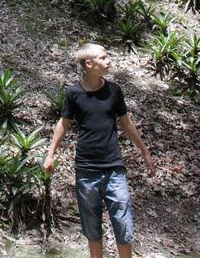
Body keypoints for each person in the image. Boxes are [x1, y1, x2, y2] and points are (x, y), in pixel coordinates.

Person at [43, 43, 156, 258]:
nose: (108, 61)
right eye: (103, 58)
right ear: (89, 63)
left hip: (114, 169)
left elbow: (127, 124)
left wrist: (145, 152)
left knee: (123, 225)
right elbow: (63, 124)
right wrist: (50, 155)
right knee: (92, 228)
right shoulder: (74, 93)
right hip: (86, 171)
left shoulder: (114, 91)